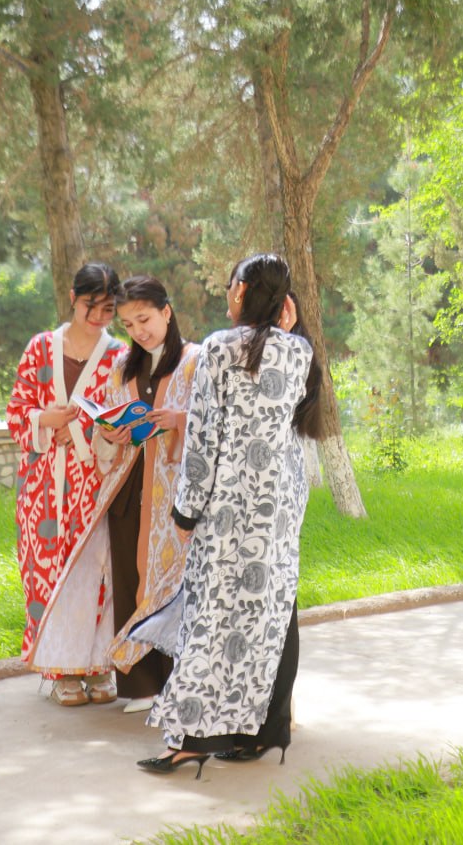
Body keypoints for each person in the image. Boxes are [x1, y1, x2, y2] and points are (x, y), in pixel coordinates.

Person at [132, 254, 317, 778]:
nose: (227, 294)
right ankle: (266, 733)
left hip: (229, 505)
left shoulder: (218, 348)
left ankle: (192, 740)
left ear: (241, 292)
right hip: (279, 505)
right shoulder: (299, 351)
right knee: (273, 611)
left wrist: (185, 509)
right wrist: (286, 330)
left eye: (231, 286)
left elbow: (203, 436)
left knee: (210, 618)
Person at [23, 276, 199, 711]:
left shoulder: (197, 361)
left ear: (166, 312)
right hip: (124, 487)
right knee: (127, 581)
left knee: (173, 583)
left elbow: (215, 421)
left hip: (173, 490)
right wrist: (110, 434)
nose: (138, 331)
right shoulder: (123, 367)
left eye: (144, 319)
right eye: (129, 323)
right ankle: (140, 685)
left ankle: (180, 681)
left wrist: (179, 421)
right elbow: (104, 428)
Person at [6, 262, 124, 705]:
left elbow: (121, 418)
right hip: (42, 488)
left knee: (96, 573)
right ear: (73, 298)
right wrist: (46, 420)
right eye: (91, 306)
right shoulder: (40, 348)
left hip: (94, 485)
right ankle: (60, 672)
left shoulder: (119, 356)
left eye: (108, 309)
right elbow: (16, 412)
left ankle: (98, 666)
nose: (98, 317)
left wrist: (82, 431)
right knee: (48, 574)